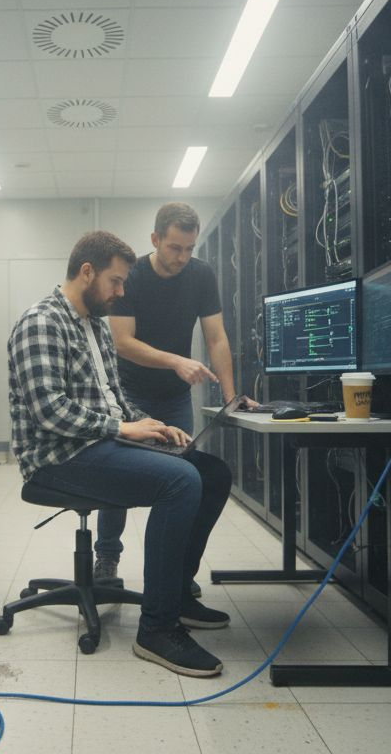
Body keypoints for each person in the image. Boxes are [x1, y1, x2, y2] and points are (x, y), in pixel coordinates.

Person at [8, 230, 233, 678]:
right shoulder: (41, 322)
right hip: (57, 459)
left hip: (100, 443)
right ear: (86, 272)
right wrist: (122, 427)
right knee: (180, 481)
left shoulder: (94, 326)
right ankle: (157, 628)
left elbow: (115, 397)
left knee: (212, 473)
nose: (121, 291)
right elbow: (48, 410)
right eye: (115, 281)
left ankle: (177, 597)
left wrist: (152, 425)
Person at [94, 202, 253, 593]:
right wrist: (177, 361)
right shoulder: (131, 278)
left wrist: (230, 397)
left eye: (189, 248)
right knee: (118, 480)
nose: (182, 257)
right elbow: (122, 343)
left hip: (174, 398)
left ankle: (173, 572)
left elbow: (216, 338)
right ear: (155, 240)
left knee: (183, 481)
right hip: (128, 393)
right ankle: (107, 557)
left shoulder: (200, 275)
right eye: (174, 248)